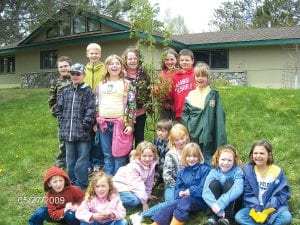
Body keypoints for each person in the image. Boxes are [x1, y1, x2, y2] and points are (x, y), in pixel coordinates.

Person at [129, 123, 189, 225]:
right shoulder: (171, 154)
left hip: (187, 186)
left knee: (181, 203)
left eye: (182, 138)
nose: (180, 142)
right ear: (172, 141)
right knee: (171, 203)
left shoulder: (190, 151)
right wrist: (178, 187)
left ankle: (166, 217)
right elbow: (167, 176)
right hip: (172, 185)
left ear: (187, 136)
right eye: (176, 140)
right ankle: (140, 215)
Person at [146, 142, 210, 225]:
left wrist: (190, 191)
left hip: (200, 200)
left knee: (185, 201)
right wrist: (180, 192)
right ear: (184, 157)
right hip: (184, 199)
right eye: (188, 156)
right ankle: (156, 224)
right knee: (170, 206)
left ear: (199, 157)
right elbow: (178, 188)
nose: (191, 159)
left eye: (195, 156)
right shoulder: (182, 173)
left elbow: (205, 189)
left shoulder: (205, 170)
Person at [55, 63, 96, 189]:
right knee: (70, 159)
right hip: (68, 132)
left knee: (82, 158)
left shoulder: (88, 91)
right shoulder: (65, 91)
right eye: (73, 74)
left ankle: (81, 182)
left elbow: (91, 110)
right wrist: (63, 123)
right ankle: (71, 181)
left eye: (78, 74)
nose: (75, 76)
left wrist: (85, 125)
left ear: (83, 75)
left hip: (83, 132)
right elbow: (58, 108)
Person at [235, 140, 292, 225]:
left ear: (269, 155)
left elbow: (284, 193)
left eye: (262, 153)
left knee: (286, 217)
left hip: (272, 208)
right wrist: (257, 209)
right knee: (239, 216)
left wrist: (270, 206)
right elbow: (247, 193)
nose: (258, 156)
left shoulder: (277, 171)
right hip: (253, 207)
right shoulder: (248, 170)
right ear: (252, 154)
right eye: (255, 153)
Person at [95, 54, 136, 176]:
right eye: (111, 64)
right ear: (106, 67)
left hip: (121, 124)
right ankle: (109, 179)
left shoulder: (127, 83)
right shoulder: (101, 84)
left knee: (119, 154)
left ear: (121, 66)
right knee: (107, 154)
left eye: (117, 63)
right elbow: (96, 103)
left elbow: (132, 104)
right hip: (104, 124)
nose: (114, 66)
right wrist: (95, 121)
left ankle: (119, 181)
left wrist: (130, 124)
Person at [182, 62, 227, 166]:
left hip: (208, 135)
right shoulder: (191, 94)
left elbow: (219, 117)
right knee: (194, 158)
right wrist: (188, 129)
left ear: (208, 77)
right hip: (194, 134)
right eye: (197, 76)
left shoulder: (213, 94)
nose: (200, 78)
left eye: (203, 76)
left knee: (207, 160)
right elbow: (185, 115)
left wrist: (220, 138)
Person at [203, 145, 244, 225]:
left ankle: (228, 218)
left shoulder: (237, 171)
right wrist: (217, 208)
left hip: (232, 203)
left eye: (229, 160)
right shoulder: (214, 172)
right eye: (223, 159)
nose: (225, 163)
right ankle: (212, 218)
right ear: (218, 159)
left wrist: (221, 203)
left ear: (234, 161)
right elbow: (205, 192)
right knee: (214, 184)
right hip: (216, 207)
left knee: (230, 183)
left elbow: (239, 188)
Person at [112, 141, 158, 210]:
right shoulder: (133, 167)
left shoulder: (151, 164)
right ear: (139, 155)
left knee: (138, 200)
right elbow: (136, 185)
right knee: (135, 201)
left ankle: (126, 203)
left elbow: (149, 181)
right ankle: (111, 199)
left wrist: (148, 195)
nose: (147, 159)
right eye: (144, 156)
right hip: (120, 186)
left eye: (150, 156)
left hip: (130, 186)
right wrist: (144, 202)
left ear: (154, 155)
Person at [122, 46, 150, 147]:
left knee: (139, 137)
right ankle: (126, 159)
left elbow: (149, 88)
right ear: (125, 60)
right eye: (130, 59)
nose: (133, 61)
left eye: (135, 58)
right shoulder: (121, 74)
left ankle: (139, 158)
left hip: (140, 111)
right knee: (126, 137)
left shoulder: (143, 73)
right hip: (126, 113)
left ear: (138, 60)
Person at [85, 42, 106, 174]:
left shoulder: (105, 69)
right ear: (87, 54)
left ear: (100, 54)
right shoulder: (83, 70)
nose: (94, 55)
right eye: (91, 53)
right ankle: (87, 163)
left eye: (96, 53)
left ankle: (98, 162)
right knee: (87, 136)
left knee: (98, 137)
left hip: (101, 106)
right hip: (86, 108)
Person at [48, 56, 72, 168]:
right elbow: (51, 99)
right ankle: (61, 160)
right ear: (58, 69)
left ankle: (73, 158)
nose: (63, 68)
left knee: (75, 138)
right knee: (62, 139)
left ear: (70, 66)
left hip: (75, 114)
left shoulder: (75, 78)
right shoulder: (56, 82)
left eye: (65, 66)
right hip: (62, 116)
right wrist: (55, 112)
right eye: (61, 67)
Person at [170, 49, 195, 123]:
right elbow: (172, 93)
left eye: (187, 60)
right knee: (181, 133)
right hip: (179, 112)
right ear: (178, 61)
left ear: (192, 61)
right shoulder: (175, 76)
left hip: (194, 111)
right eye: (182, 60)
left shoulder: (196, 74)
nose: (184, 62)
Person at [152, 118, 173, 186]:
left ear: (169, 132)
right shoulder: (156, 140)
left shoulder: (171, 144)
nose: (160, 133)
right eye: (158, 130)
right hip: (156, 166)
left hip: (166, 168)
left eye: (163, 131)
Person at [160, 48, 179, 120]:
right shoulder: (162, 74)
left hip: (177, 105)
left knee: (176, 127)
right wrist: (164, 102)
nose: (169, 62)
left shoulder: (180, 73)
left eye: (172, 59)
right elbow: (158, 91)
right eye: (167, 60)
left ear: (176, 60)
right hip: (165, 106)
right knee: (165, 126)